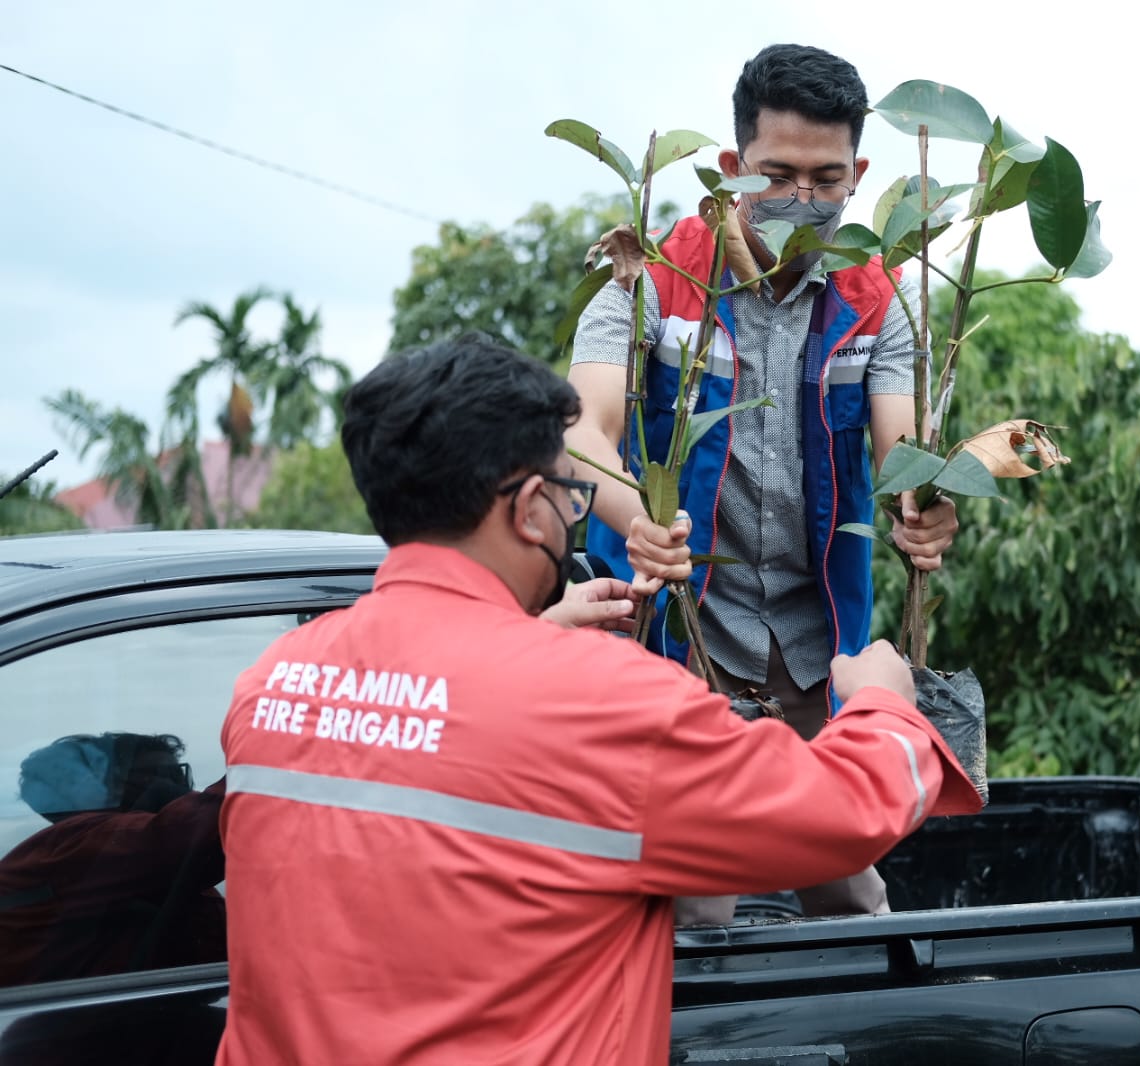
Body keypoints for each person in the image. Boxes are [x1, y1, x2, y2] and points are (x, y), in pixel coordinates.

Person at [214, 332, 980, 1066]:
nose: (574, 515)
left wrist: (526, 638)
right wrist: (884, 706)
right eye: (574, 496)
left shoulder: (271, 683)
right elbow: (835, 816)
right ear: (527, 509)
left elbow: (421, 756)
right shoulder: (598, 702)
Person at [567, 43, 960, 924]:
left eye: (829, 180)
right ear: (732, 169)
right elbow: (579, 428)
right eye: (778, 175)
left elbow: (901, 448)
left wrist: (924, 511)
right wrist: (638, 519)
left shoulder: (876, 300)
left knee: (852, 901)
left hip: (814, 653)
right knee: (694, 908)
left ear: (860, 172)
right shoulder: (652, 280)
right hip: (679, 644)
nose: (804, 201)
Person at [0, 732, 225, 988]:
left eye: (178, 774)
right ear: (109, 785)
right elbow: (201, 830)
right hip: (79, 1022)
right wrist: (266, 768)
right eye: (158, 774)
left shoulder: (150, 869)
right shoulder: (77, 844)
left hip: (113, 1018)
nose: (176, 787)